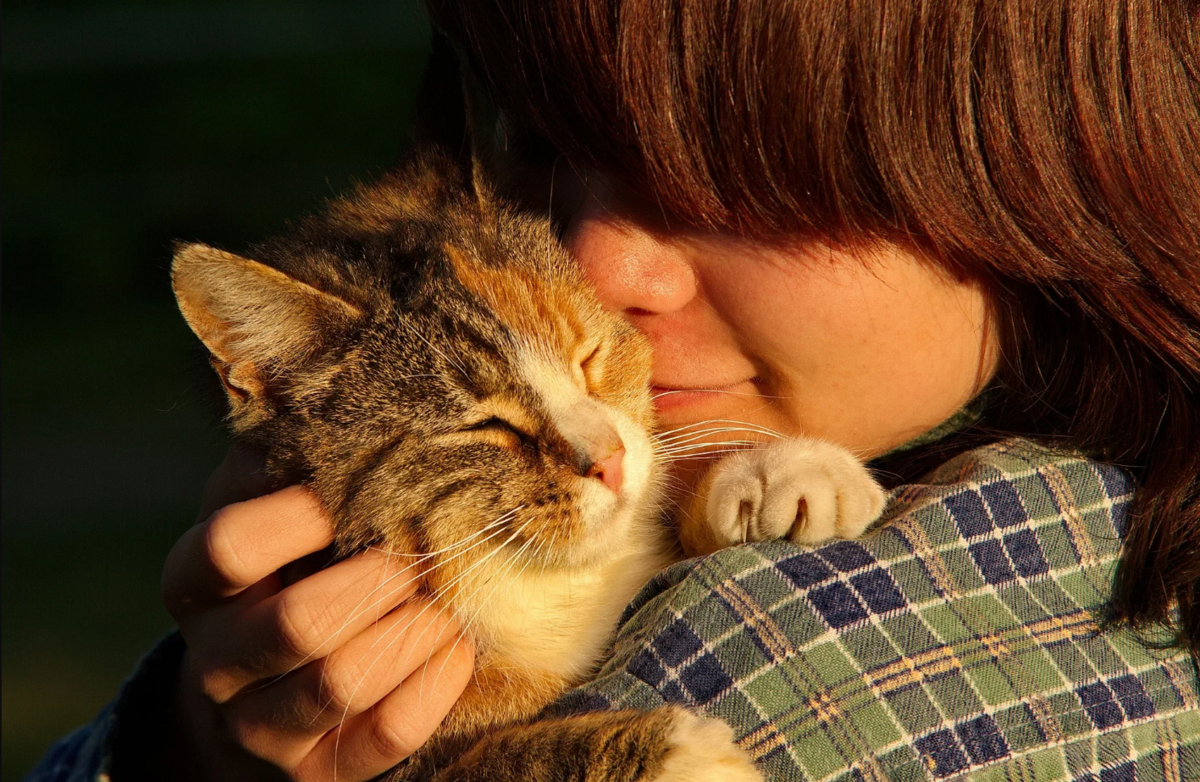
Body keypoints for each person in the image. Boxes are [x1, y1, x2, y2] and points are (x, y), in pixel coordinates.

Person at [27, 0, 1200, 780]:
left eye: (728, 179)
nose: (589, 270)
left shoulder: (776, 674)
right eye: (543, 145)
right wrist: (189, 740)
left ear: (1045, 154)